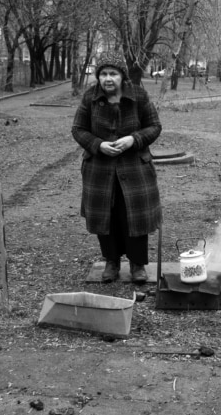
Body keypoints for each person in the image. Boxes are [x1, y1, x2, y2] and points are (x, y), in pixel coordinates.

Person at [72, 51, 162, 284]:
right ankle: (111, 262)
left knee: (134, 217)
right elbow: (78, 129)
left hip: (135, 168)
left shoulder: (139, 96)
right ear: (97, 76)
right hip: (99, 170)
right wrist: (98, 144)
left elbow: (154, 126)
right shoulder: (90, 97)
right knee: (107, 217)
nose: (107, 79)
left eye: (113, 73)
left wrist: (134, 139)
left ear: (122, 76)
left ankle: (137, 265)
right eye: (103, 74)